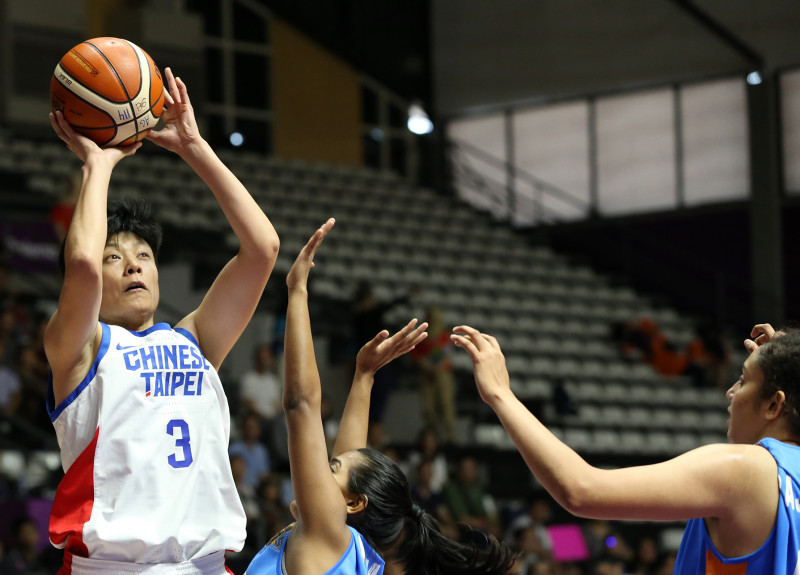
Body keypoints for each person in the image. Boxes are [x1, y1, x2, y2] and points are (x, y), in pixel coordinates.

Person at [44, 67, 280, 574]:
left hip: (206, 564)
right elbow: (81, 265)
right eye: (116, 257)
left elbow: (263, 249)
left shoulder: (194, 340)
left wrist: (194, 146)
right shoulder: (81, 349)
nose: (132, 264)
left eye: (143, 255)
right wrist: (98, 163)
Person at [246, 220, 515, 575]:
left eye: (331, 469)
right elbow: (349, 452)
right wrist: (364, 376)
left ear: (354, 503)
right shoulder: (352, 545)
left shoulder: (325, 531)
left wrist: (297, 293)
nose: (320, 466)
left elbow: (301, 405)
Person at [452, 321, 800, 574]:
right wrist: (781, 367)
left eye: (741, 380)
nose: (731, 392)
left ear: (774, 405)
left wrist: (500, 394)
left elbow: (581, 490)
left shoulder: (742, 470)